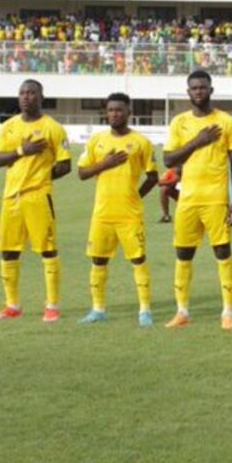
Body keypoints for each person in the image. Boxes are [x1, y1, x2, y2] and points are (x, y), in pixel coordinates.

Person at [162, 70, 232, 330]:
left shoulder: (227, 122)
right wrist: (198, 141)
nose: (199, 91)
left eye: (203, 87)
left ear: (211, 90)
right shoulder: (179, 123)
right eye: (194, 88)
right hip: (187, 199)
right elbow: (169, 159)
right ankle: (182, 311)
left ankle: (228, 311)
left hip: (216, 199)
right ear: (188, 92)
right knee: (183, 254)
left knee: (222, 252)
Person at [0, 79, 72, 322]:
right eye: (23, 93)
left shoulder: (53, 128)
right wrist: (22, 151)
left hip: (38, 197)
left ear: (41, 97)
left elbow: (65, 165)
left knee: (47, 250)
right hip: (11, 197)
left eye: (32, 93)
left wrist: (41, 177)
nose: (26, 97)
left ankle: (52, 306)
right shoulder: (9, 127)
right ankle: (12, 306)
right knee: (8, 251)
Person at [76, 93, 158, 327]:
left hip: (129, 215)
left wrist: (136, 196)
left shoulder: (141, 142)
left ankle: (145, 310)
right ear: (106, 112)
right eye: (111, 110)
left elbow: (153, 176)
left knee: (138, 260)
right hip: (102, 214)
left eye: (119, 110)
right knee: (98, 260)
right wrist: (105, 164)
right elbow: (82, 173)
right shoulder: (97, 141)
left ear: (129, 112)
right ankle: (98, 309)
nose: (114, 114)